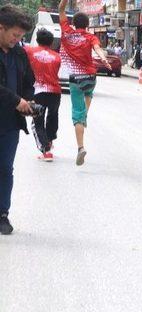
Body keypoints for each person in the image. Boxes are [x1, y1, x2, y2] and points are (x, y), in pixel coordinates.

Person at [59, 0, 111, 166]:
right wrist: (104, 59)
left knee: (77, 114)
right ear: (87, 25)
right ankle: (85, 116)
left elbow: (61, 9)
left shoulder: (66, 32)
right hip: (90, 77)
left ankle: (81, 147)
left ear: (73, 23)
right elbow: (97, 50)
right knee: (89, 94)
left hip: (76, 78)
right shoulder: (90, 36)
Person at [0, 4, 35, 235]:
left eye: (21, 36)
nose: (17, 39)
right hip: (9, 108)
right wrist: (15, 100)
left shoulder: (20, 53)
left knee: (5, 168)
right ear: (1, 28)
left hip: (10, 123)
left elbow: (28, 83)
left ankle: (3, 213)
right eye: (15, 35)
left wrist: (28, 102)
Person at [25, 29, 61, 161]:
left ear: (37, 40)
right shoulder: (57, 57)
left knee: (37, 121)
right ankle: (49, 143)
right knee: (52, 117)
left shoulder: (29, 51)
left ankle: (46, 151)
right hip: (55, 91)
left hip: (37, 91)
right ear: (51, 43)